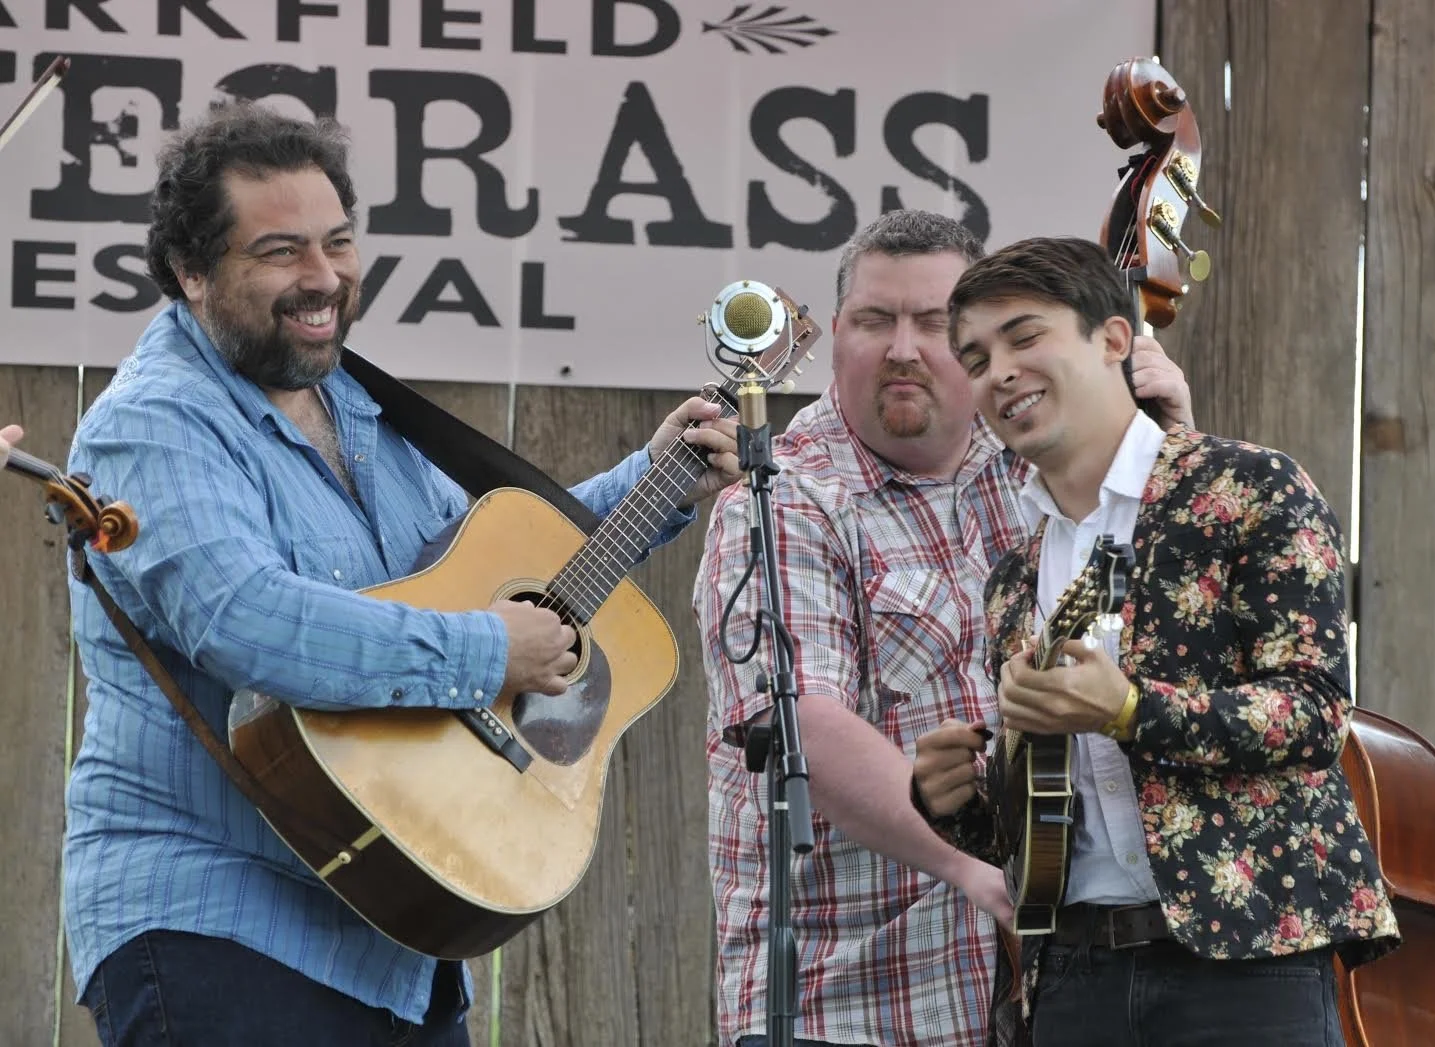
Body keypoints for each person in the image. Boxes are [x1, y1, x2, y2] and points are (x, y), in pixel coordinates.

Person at [62, 102, 740, 1046]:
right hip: (215, 919)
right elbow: (249, 622)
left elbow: (470, 571)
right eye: (280, 252)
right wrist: (490, 648)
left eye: (338, 242)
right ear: (190, 271)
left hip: (393, 933)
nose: (323, 278)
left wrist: (655, 477)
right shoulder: (155, 422)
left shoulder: (355, 403)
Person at [692, 210, 1194, 1047]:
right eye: (873, 320)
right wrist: (975, 868)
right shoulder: (782, 500)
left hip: (1042, 996)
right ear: (836, 335)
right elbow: (805, 724)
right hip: (851, 1001)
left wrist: (1165, 440)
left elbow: (1177, 633)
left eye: (932, 323)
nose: (901, 347)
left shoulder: (1038, 472)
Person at [913, 236, 1401, 1047]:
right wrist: (953, 797)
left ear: (1113, 340)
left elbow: (1314, 712)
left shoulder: (1251, 488)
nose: (996, 370)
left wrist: (1133, 709)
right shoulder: (1012, 575)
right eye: (975, 356)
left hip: (1245, 969)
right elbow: (1035, 829)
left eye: (1024, 336)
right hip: (1073, 977)